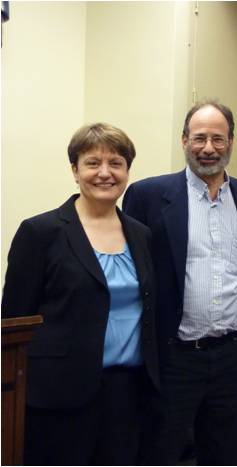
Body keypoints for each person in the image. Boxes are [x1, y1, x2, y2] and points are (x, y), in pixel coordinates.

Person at [1, 123, 159, 465]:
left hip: (129, 393)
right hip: (58, 395)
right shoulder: (40, 232)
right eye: (92, 163)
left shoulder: (141, 234)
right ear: (75, 170)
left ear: (127, 171)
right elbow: (14, 321)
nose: (105, 173)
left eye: (116, 163)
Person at [122, 99, 237, 465]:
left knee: (225, 455)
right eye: (199, 138)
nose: (209, 148)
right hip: (175, 358)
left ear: (231, 141)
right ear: (184, 140)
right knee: (161, 452)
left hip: (230, 358)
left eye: (218, 138)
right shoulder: (148, 196)